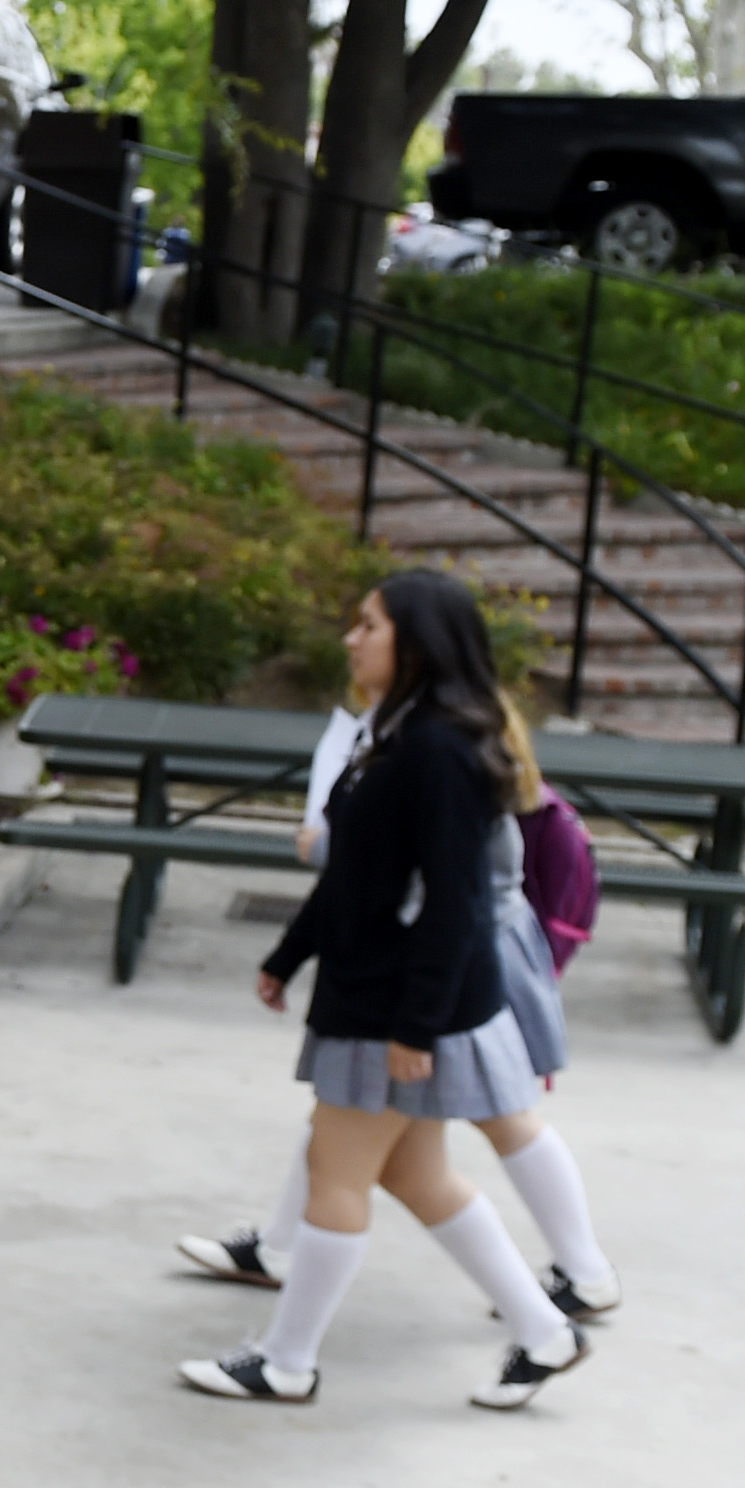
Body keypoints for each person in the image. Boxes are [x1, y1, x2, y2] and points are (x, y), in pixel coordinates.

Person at [180, 571, 597, 1410]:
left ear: (415, 639)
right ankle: (546, 1333)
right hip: (377, 993)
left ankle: (288, 1362)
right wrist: (289, 954)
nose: (351, 638)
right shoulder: (398, 734)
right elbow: (357, 872)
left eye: (367, 624)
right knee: (415, 1176)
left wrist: (415, 1026)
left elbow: (456, 903)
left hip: (391, 1007)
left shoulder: (439, 749)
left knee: (337, 1174)